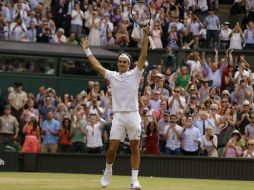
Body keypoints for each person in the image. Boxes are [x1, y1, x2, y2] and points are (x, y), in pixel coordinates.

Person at [80, 25, 148, 189]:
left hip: (133, 115)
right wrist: (88, 50)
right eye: (120, 62)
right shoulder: (112, 75)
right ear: (117, 63)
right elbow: (97, 66)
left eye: (125, 62)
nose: (122, 63)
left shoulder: (136, 73)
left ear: (129, 64)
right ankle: (108, 171)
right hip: (118, 116)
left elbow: (143, 54)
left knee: (135, 148)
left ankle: (134, 180)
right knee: (112, 148)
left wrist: (146, 37)